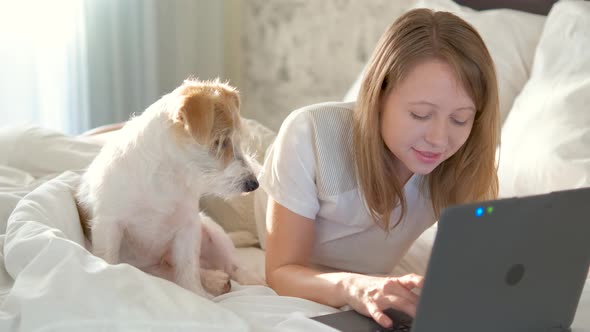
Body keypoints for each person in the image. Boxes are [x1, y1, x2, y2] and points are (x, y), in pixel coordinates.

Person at [257, 8, 500, 329]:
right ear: (379, 95)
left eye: (460, 118)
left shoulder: (463, 160)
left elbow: (475, 266)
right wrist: (354, 286)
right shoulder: (310, 134)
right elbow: (282, 272)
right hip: (247, 199)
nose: (439, 139)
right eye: (420, 114)